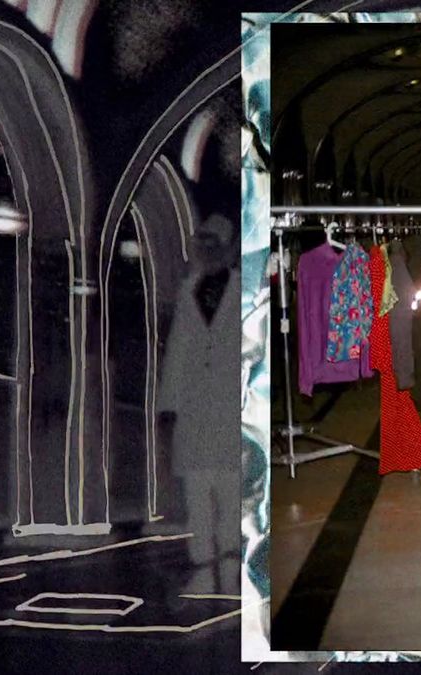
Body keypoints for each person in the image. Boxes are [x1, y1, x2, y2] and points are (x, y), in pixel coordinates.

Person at [158, 213, 241, 594]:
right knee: (197, 492)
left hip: (229, 408)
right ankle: (204, 567)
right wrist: (168, 403)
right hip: (194, 408)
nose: (206, 251)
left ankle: (229, 563)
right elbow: (176, 349)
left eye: (213, 244)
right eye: (202, 244)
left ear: (227, 249)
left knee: (229, 489)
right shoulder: (188, 289)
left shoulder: (245, 290)